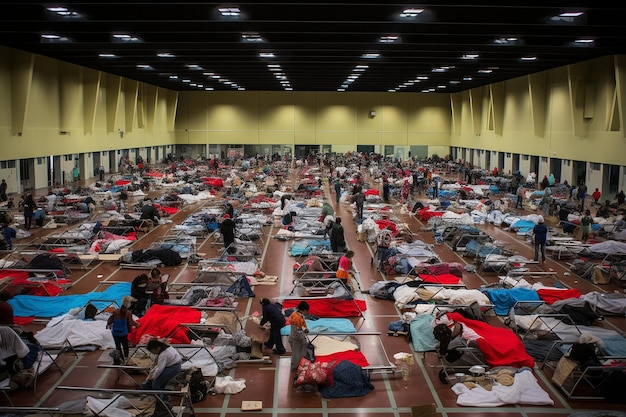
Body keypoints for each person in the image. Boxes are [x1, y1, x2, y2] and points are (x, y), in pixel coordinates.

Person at [106, 295, 140, 363]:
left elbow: (110, 319)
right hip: (123, 333)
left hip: (115, 332)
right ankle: (126, 358)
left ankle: (120, 359)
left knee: (118, 346)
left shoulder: (116, 312)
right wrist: (137, 324)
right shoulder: (128, 313)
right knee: (125, 346)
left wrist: (108, 324)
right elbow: (131, 322)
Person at [287, 301, 309, 371]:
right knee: (296, 353)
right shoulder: (297, 318)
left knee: (297, 352)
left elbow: (301, 325)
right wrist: (302, 338)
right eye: (306, 311)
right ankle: (296, 366)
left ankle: (298, 364)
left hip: (294, 336)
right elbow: (298, 330)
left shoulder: (297, 314)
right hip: (296, 338)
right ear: (304, 310)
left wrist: (305, 329)